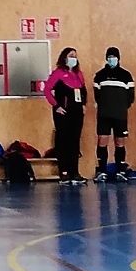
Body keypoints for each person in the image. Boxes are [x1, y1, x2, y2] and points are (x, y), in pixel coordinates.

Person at [44, 46, 88, 186]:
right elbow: (47, 90)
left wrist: (83, 104)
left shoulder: (79, 74)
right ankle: (64, 172)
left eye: (75, 56)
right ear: (64, 58)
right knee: (63, 141)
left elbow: (83, 91)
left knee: (75, 142)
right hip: (63, 113)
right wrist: (56, 106)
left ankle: (74, 172)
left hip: (77, 113)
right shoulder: (58, 73)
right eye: (71, 56)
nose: (73, 58)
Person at [93, 46, 135, 182]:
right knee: (102, 141)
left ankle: (120, 171)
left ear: (118, 58)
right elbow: (97, 95)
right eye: (110, 57)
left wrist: (121, 107)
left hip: (120, 115)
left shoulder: (126, 75)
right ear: (106, 58)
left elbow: (130, 97)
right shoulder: (99, 75)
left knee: (120, 142)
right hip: (104, 114)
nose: (112, 59)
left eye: (114, 57)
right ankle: (101, 171)